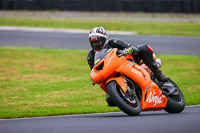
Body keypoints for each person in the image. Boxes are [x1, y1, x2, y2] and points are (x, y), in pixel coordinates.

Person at [87, 26, 168, 82]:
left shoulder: (114, 42)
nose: (96, 45)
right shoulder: (91, 56)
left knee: (143, 48)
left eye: (98, 42)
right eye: (93, 42)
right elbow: (94, 70)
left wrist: (127, 50)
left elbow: (130, 47)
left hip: (129, 63)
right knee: (110, 100)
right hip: (112, 73)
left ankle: (158, 74)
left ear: (105, 39)